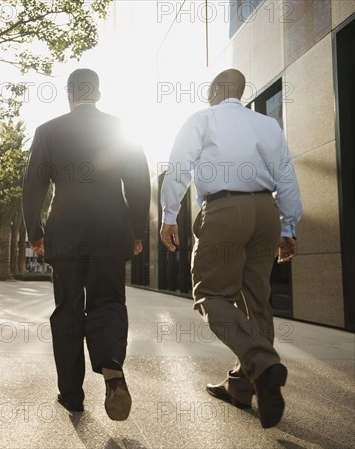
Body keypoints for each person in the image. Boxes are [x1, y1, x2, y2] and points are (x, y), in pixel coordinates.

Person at [159, 69, 302, 428]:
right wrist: (288, 226)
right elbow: (286, 175)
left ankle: (263, 363)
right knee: (257, 300)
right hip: (264, 211)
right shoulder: (267, 125)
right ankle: (241, 386)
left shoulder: (203, 119)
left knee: (210, 294)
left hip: (225, 210)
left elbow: (179, 167)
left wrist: (169, 214)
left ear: (215, 91)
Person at [22, 68, 151, 421]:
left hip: (65, 233)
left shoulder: (48, 131)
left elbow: (33, 187)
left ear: (69, 94)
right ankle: (110, 363)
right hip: (110, 231)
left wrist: (35, 232)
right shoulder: (121, 129)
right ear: (98, 93)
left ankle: (71, 395)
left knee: (67, 309)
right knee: (108, 300)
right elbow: (140, 184)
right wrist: (137, 231)